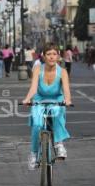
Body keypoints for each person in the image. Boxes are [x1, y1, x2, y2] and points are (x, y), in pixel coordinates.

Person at [22, 42, 72, 170]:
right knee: (37, 125)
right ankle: (33, 154)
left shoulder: (63, 72)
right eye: (48, 54)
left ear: (58, 56)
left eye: (54, 54)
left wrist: (68, 100)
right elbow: (33, 88)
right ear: (43, 56)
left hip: (57, 99)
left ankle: (59, 144)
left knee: (57, 112)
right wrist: (27, 99)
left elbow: (66, 90)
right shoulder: (38, 69)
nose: (51, 57)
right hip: (40, 99)